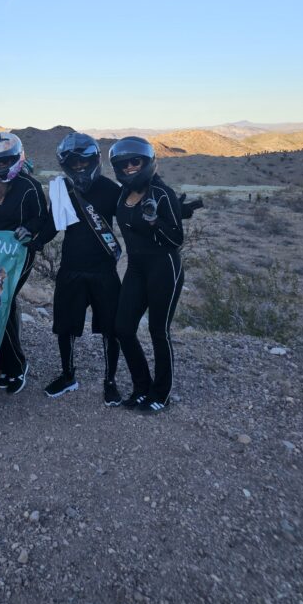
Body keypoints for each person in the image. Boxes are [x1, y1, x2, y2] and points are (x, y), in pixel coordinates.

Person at [38, 133, 123, 405]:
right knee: (65, 327)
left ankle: (110, 381)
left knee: (112, 329)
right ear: (66, 166)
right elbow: (52, 226)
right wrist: (28, 238)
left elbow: (132, 220)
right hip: (71, 269)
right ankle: (67, 375)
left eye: (82, 164)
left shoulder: (111, 190)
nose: (79, 169)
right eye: (73, 165)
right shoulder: (62, 189)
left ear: (94, 161)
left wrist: (169, 213)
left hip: (104, 271)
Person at [109, 136, 184, 414]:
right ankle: (141, 387)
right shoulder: (122, 194)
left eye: (135, 161)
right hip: (137, 268)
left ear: (147, 162)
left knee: (158, 331)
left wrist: (155, 221)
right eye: (123, 163)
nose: (129, 167)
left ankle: (160, 394)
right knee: (123, 328)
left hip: (164, 267)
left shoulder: (162, 194)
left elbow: (176, 239)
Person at [0, 132, 48, 395]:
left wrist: (28, 230)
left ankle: (16, 366)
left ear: (17, 158)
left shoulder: (30, 187)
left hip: (18, 255)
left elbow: (42, 220)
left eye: (7, 161)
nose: (2, 166)